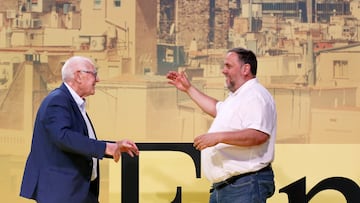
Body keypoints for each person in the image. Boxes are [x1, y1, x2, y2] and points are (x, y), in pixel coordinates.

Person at [20, 56, 139, 203]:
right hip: (62, 193)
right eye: (94, 74)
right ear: (78, 76)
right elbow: (63, 137)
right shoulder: (57, 101)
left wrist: (115, 145)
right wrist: (106, 147)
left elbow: (81, 139)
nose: (98, 79)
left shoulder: (72, 102)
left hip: (79, 192)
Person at [166, 47, 276, 203]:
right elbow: (216, 108)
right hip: (229, 187)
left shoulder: (255, 96)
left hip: (244, 186)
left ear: (246, 69)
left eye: (228, 66)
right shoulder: (239, 97)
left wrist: (218, 137)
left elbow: (259, 135)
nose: (223, 71)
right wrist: (188, 89)